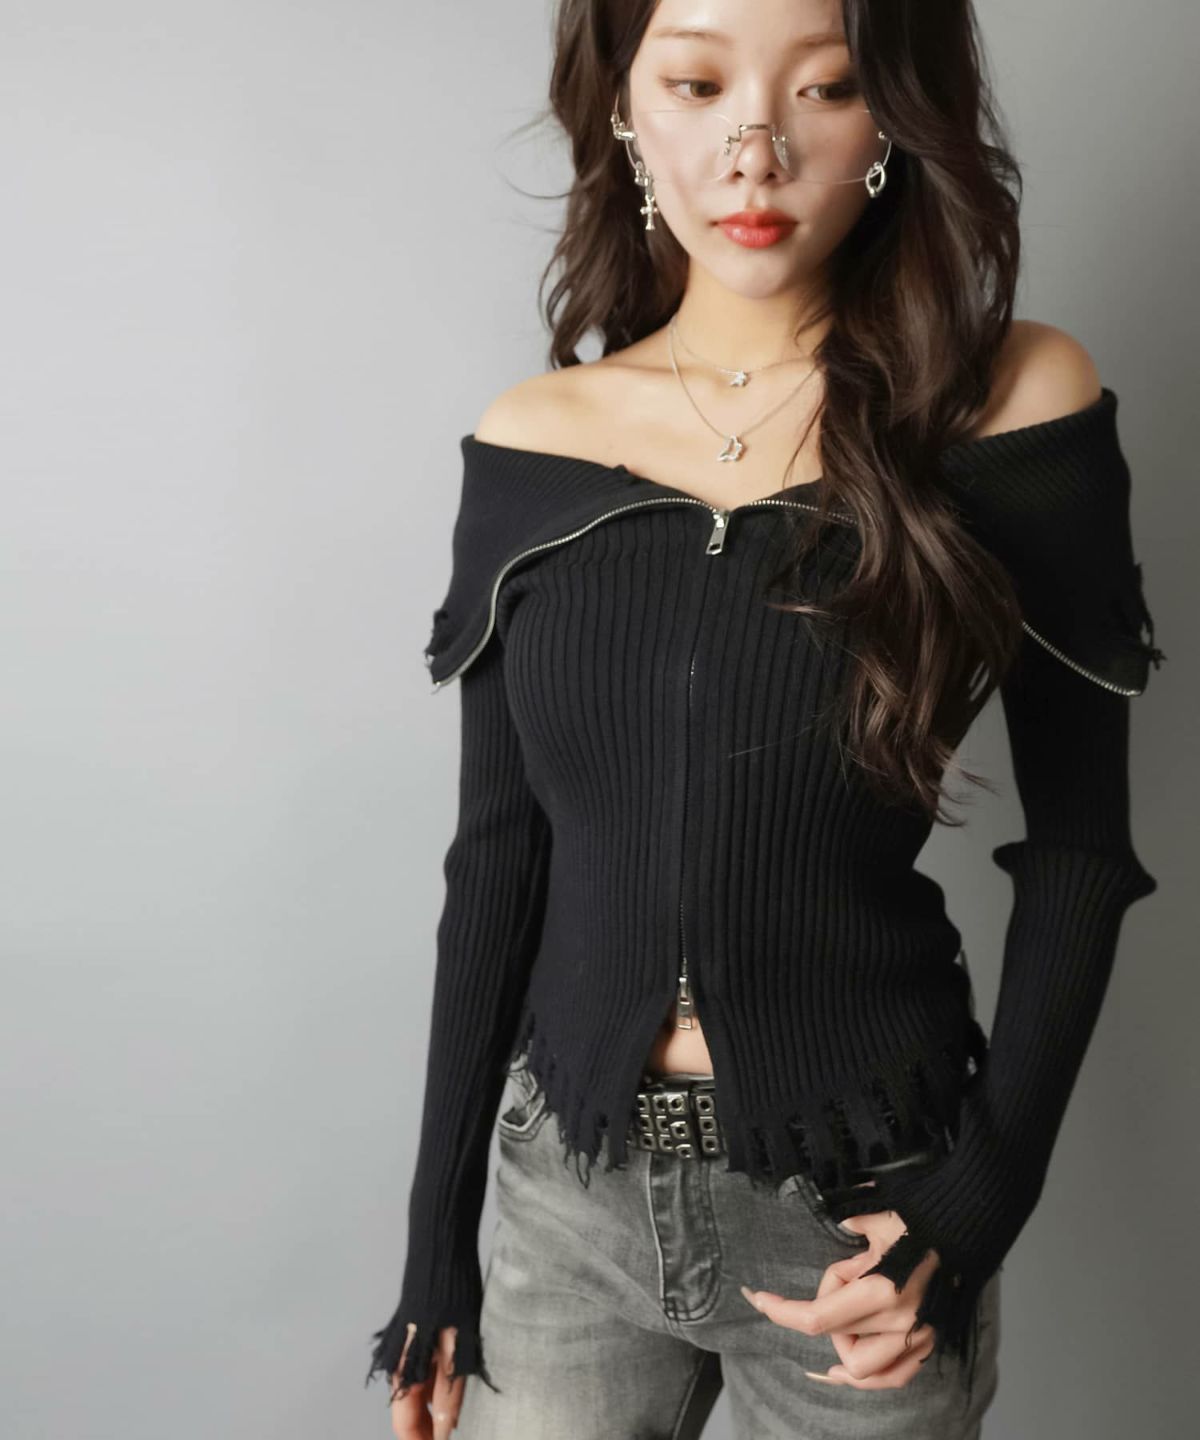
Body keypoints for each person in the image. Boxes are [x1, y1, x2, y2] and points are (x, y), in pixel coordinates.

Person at [366, 2, 1165, 1436]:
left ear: (893, 122)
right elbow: (498, 860)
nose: (755, 150)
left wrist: (968, 1214)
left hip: (859, 1210)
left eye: (827, 87)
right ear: (627, 112)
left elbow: (1081, 855)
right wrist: (436, 1249)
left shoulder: (1008, 407)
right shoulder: (536, 440)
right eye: (695, 82)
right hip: (566, 1203)